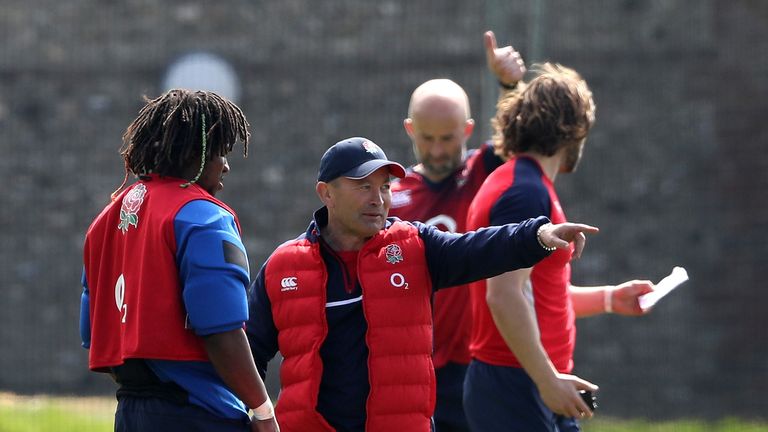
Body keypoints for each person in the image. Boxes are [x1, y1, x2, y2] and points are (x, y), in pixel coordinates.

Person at [246, 136, 599, 432]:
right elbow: (249, 353)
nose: (378, 198)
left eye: (385, 187)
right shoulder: (283, 266)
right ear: (326, 193)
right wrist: (258, 414)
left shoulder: (416, 246)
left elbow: (479, 248)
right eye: (363, 186)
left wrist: (540, 234)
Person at [463, 62, 655, 432]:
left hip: (529, 382)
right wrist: (547, 379)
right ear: (575, 129)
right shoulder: (524, 192)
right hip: (516, 385)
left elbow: (538, 294)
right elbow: (503, 296)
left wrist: (610, 298)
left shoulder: (528, 184)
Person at [80, 89, 279, 432]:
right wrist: (263, 409)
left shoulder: (104, 221)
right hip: (198, 412)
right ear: (198, 154)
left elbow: (91, 331)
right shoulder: (204, 217)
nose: (226, 167)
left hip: (129, 412)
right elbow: (221, 330)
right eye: (222, 153)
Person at [389, 30, 525, 432]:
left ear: (467, 131)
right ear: (410, 130)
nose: (435, 150)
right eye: (426, 139)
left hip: (475, 365)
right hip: (412, 367)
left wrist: (510, 85)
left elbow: (516, 141)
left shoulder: (483, 174)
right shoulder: (390, 198)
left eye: (447, 139)